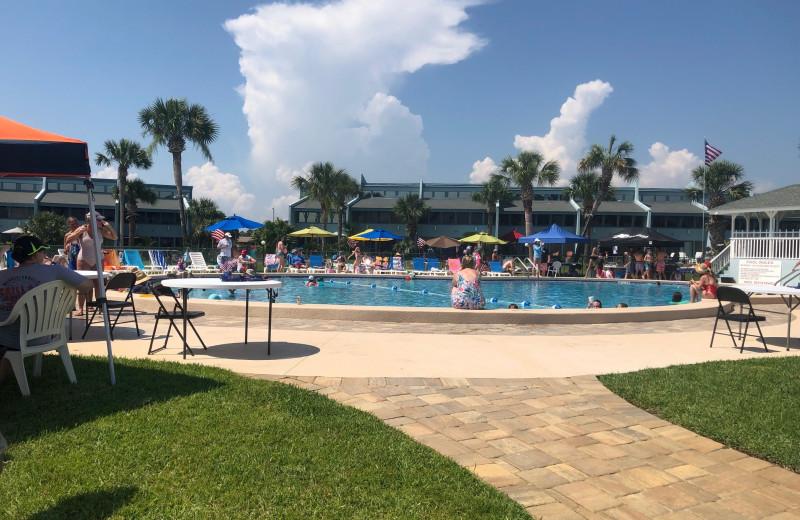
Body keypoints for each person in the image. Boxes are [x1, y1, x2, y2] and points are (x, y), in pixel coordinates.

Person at [0, 236, 93, 387]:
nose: (45, 255)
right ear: (36, 255)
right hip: (43, 335)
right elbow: (87, 285)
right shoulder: (54, 271)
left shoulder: (2, 275)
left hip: (7, 339)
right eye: (43, 251)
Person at [63, 211, 118, 315]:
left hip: (98, 259)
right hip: (83, 259)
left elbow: (114, 237)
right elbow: (68, 240)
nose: (100, 222)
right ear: (89, 220)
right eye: (98, 220)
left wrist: (109, 226)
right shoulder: (82, 229)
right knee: (83, 284)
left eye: (100, 220)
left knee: (98, 285)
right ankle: (81, 309)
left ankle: (100, 307)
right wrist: (78, 232)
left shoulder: (101, 230)